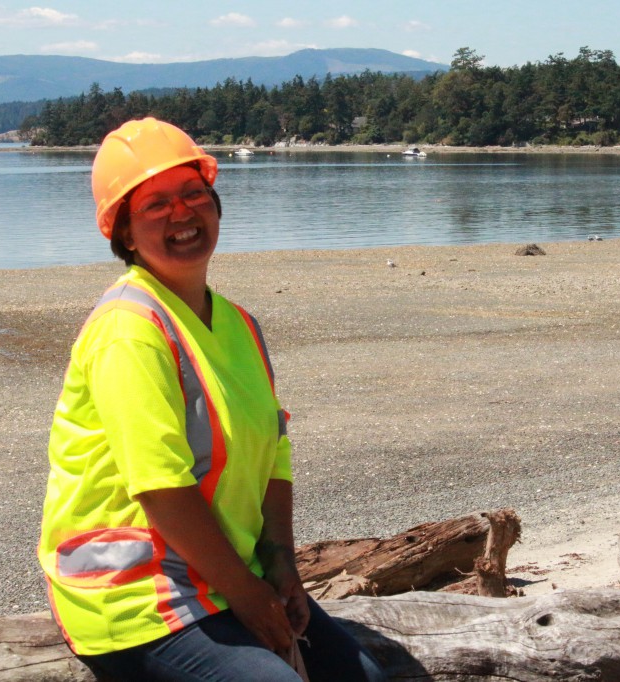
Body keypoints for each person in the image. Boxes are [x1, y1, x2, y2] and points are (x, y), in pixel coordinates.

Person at [38, 117, 385, 681]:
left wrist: (281, 570)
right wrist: (251, 599)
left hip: (223, 576)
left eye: (193, 194)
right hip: (138, 598)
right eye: (154, 205)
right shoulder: (129, 328)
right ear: (123, 233)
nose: (181, 214)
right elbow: (161, 485)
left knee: (364, 676)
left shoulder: (240, 325)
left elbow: (274, 455)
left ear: (216, 206)